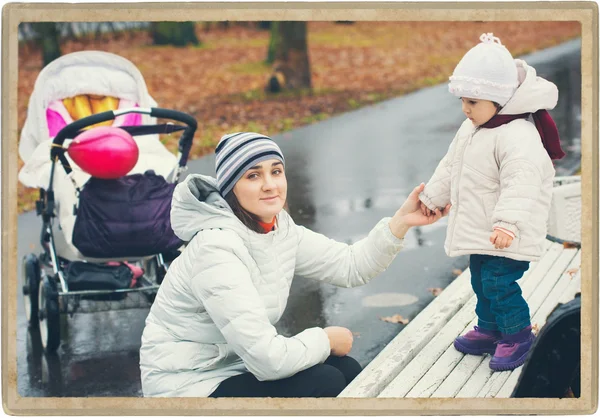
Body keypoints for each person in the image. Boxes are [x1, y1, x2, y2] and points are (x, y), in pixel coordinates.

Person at [140, 132, 450, 397]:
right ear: (230, 188)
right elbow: (267, 360)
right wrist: (325, 339)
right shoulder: (216, 248)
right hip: (187, 385)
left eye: (276, 171)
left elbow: (350, 266)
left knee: (344, 369)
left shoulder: (277, 230)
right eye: (252, 176)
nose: (269, 185)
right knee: (324, 381)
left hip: (235, 365)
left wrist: (401, 223)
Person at [418, 33, 565, 371]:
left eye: (473, 101)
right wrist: (432, 197)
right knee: (480, 280)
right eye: (463, 101)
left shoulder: (518, 136)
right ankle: (489, 329)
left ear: (499, 100)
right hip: (484, 232)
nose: (465, 109)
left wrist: (507, 223)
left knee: (499, 283)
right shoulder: (473, 128)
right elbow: (451, 165)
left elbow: (522, 183)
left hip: (506, 232)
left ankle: (517, 335)